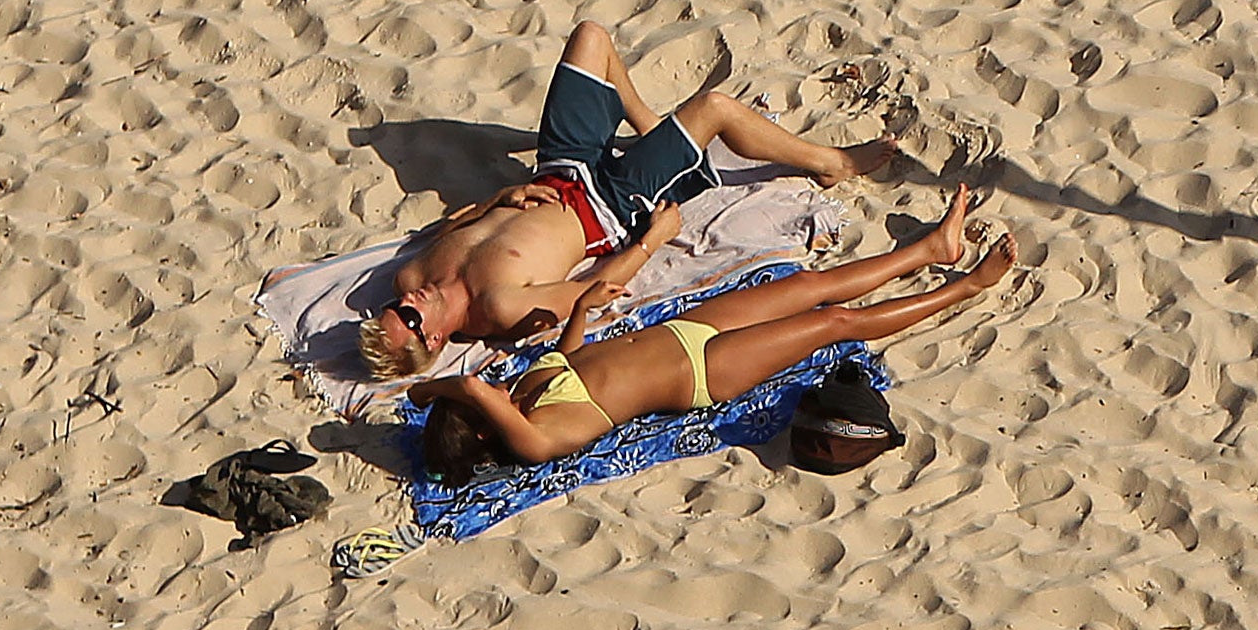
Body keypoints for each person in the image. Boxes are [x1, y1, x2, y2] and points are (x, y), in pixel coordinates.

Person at [359, 20, 896, 379]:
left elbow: (460, 222)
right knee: (715, 108)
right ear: (431, 338)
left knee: (590, 37)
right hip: (613, 204)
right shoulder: (499, 307)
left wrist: (504, 194)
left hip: (560, 168)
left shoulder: (410, 278)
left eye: (394, 309)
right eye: (406, 317)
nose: (407, 301)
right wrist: (651, 241)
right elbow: (592, 291)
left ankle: (647, 124)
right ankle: (833, 162)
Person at [410, 185, 1014, 481]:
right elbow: (465, 387)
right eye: (479, 403)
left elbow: (566, 361)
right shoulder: (534, 438)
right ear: (484, 426)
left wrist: (583, 310)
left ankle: (933, 248)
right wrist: (453, 398)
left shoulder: (522, 397)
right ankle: (962, 289)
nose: (488, 387)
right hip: (702, 372)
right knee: (833, 323)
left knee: (809, 286)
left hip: (685, 329)